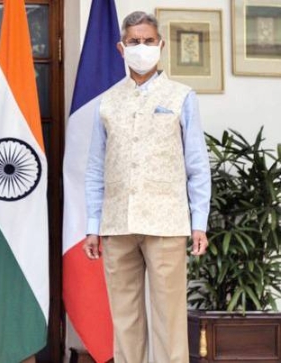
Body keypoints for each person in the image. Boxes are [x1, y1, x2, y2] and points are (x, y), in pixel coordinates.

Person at [83, 11, 211, 363]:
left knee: (169, 320)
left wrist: (198, 221)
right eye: (135, 42)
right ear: (121, 48)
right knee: (125, 321)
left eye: (148, 41)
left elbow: (197, 164)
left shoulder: (182, 97)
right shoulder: (107, 101)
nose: (142, 47)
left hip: (166, 223)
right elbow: (96, 168)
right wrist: (92, 226)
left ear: (161, 45)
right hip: (117, 224)